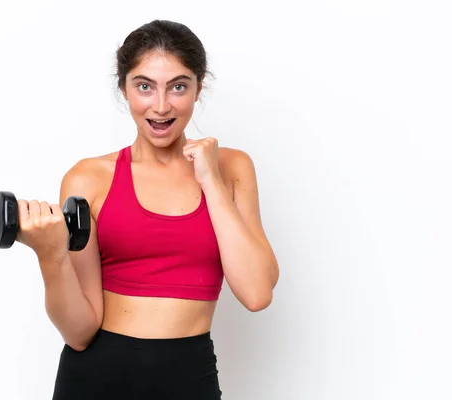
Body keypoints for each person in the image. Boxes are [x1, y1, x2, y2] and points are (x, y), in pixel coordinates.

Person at [16, 19, 280, 400]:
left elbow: (257, 294)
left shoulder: (232, 168)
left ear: (198, 86)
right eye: (144, 86)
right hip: (94, 380)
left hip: (189, 379)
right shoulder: (89, 178)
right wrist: (50, 254)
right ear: (124, 88)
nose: (160, 106)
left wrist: (211, 181)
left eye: (178, 87)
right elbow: (79, 332)